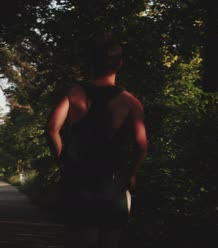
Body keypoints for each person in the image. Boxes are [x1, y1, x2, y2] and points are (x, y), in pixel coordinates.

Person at [47, 32, 147, 248]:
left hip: (80, 181)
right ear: (119, 64)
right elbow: (141, 146)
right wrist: (131, 174)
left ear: (92, 63)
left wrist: (63, 160)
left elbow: (52, 130)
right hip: (114, 182)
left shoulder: (74, 93)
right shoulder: (131, 102)